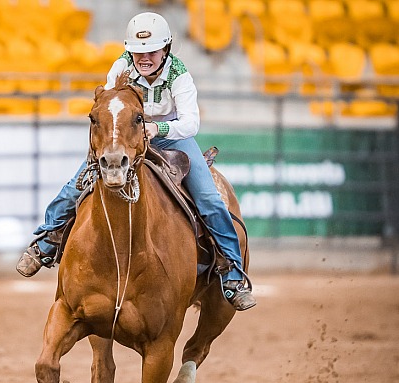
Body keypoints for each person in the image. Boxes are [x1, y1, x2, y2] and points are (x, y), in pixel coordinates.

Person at [16, 12, 256, 311]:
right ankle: (46, 242)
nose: (145, 57)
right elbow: (110, 101)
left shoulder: (179, 75)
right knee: (75, 186)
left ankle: (232, 273)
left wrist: (158, 128)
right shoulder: (121, 67)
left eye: (152, 51)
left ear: (165, 49)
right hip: (128, 134)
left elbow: (191, 123)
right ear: (130, 50)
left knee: (210, 199)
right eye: (139, 51)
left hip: (171, 135)